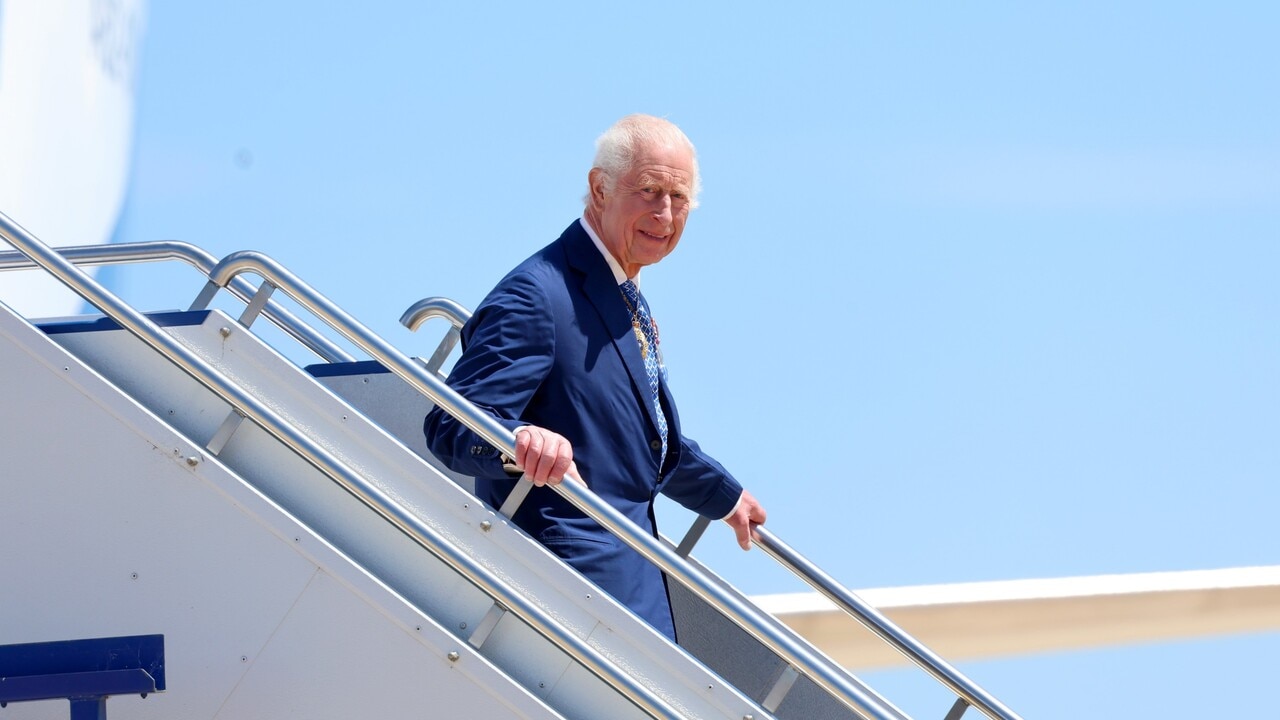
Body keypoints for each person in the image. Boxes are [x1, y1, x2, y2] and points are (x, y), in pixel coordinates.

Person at [423, 114, 766, 640]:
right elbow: (451, 426)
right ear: (599, 188)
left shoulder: (621, 293)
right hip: (565, 595)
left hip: (628, 588)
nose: (666, 214)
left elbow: (637, 438)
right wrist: (516, 441)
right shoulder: (539, 294)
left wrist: (724, 496)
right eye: (649, 191)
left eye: (680, 199)